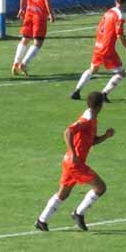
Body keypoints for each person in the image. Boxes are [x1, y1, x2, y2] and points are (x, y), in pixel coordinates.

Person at [34, 91, 115, 232]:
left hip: (70, 161)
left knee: (63, 193)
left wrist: (105, 136)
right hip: (75, 163)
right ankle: (78, 213)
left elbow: (91, 141)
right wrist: (73, 153)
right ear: (99, 106)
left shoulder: (92, 118)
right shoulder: (87, 120)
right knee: (100, 188)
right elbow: (68, 132)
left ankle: (41, 220)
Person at [70, 0, 126, 102]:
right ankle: (104, 94)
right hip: (107, 49)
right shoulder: (120, 16)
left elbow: (99, 29)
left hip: (98, 46)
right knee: (121, 73)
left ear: (115, 1)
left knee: (93, 69)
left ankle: (76, 91)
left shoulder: (108, 12)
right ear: (125, 3)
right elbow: (120, 35)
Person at [12, 0, 57, 77]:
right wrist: (51, 14)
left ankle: (16, 62)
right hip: (39, 16)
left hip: (29, 13)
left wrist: (21, 9)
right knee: (38, 42)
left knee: (25, 39)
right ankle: (24, 64)